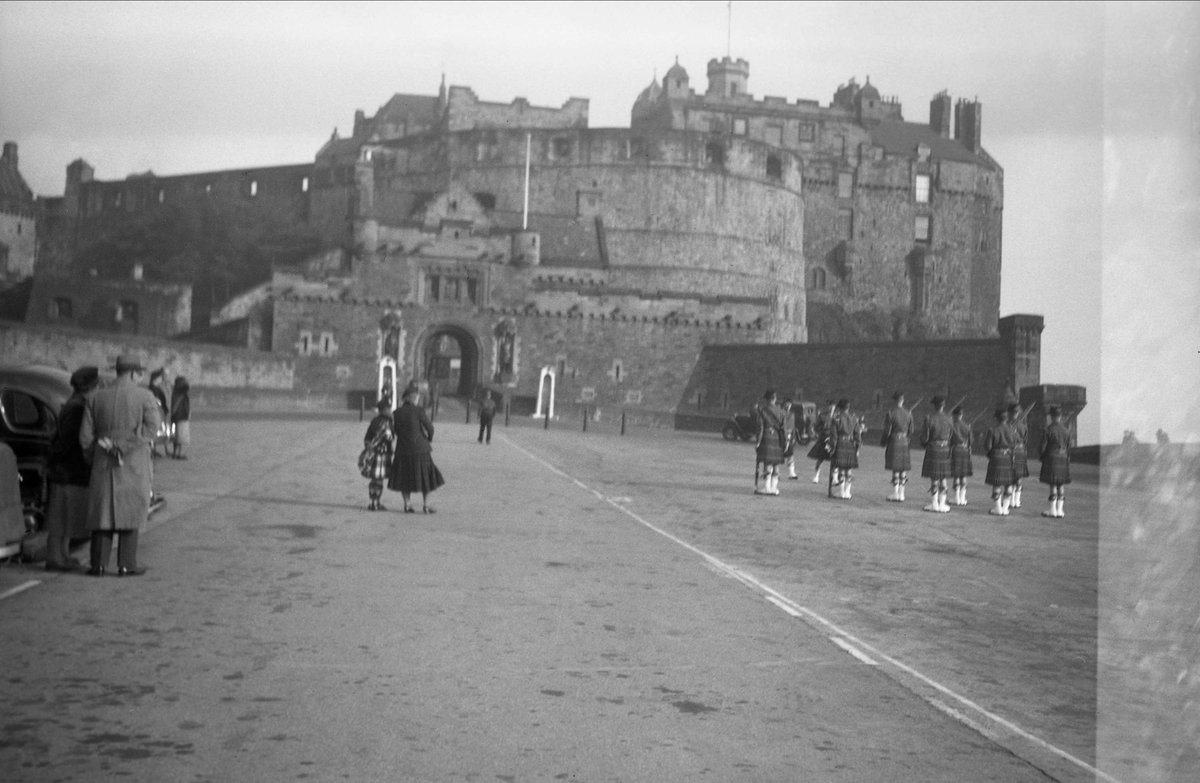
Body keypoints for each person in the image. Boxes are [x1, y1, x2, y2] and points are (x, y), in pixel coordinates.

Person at [79, 355, 161, 576]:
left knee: (102, 512)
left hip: (102, 460)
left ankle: (98, 564)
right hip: (134, 461)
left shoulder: (95, 397)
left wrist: (94, 456)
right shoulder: (145, 396)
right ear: (134, 373)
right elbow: (153, 429)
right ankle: (126, 564)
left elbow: (85, 437)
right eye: (140, 373)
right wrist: (126, 445)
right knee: (131, 509)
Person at [43, 366, 100, 571]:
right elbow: (68, 441)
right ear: (91, 386)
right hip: (67, 470)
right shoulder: (77, 408)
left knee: (65, 516)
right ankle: (54, 557)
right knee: (59, 518)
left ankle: (63, 555)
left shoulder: (74, 403)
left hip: (66, 469)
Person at [388, 383, 444, 513]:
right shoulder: (419, 410)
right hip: (420, 449)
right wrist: (428, 438)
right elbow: (430, 428)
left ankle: (407, 505)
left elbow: (395, 431)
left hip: (403, 450)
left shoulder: (397, 413)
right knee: (426, 477)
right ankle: (426, 505)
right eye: (416, 396)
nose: (417, 398)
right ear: (413, 398)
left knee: (404, 478)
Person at [919, 396, 953, 513]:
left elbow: (924, 438)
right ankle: (942, 504)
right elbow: (951, 437)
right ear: (943, 406)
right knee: (943, 477)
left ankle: (934, 504)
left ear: (934, 406)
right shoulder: (949, 419)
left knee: (934, 478)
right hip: (945, 449)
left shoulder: (929, 419)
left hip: (933, 448)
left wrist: (924, 444)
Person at [361, 401, 396, 511]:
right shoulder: (387, 422)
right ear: (384, 410)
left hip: (374, 453)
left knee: (374, 480)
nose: (390, 411)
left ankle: (372, 502)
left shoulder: (374, 421)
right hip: (383, 454)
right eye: (389, 409)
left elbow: (367, 438)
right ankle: (375, 504)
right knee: (379, 480)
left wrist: (369, 449)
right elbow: (391, 438)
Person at [1039, 406, 1072, 518]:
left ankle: (1052, 510)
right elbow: (1069, 447)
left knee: (1053, 484)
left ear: (1051, 416)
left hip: (1051, 457)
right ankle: (1060, 511)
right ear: (1060, 416)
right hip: (1063, 457)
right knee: (1061, 484)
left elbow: (1043, 447)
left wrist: (1042, 457)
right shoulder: (1066, 430)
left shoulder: (1048, 430)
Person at [983, 406, 1015, 516]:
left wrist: (991, 454)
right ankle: (1005, 509)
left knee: (996, 483)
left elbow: (988, 446)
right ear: (1006, 418)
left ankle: (998, 509)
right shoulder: (1012, 429)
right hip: (1008, 457)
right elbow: (1014, 445)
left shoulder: (992, 430)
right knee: (1008, 483)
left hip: (996, 457)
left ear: (997, 418)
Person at [881, 391, 913, 502]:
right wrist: (906, 439)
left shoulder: (890, 413)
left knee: (895, 468)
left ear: (895, 401)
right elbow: (911, 430)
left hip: (894, 440)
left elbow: (887, 431)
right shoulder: (909, 413)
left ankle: (895, 494)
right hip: (904, 441)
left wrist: (884, 442)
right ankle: (902, 494)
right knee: (902, 468)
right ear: (902, 400)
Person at [754, 390, 786, 495]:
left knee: (767, 462)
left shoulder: (763, 411)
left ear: (767, 400)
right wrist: (785, 442)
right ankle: (774, 488)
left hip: (767, 438)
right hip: (778, 439)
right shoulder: (782, 411)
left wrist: (758, 442)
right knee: (776, 463)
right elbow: (784, 429)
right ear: (775, 399)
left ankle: (767, 488)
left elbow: (760, 428)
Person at [829, 399, 860, 499]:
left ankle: (841, 492)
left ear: (839, 407)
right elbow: (857, 435)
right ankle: (847, 493)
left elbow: (833, 435)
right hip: (850, 444)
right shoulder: (854, 418)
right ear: (848, 407)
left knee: (842, 468)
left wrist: (832, 447)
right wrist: (857, 447)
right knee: (848, 469)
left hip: (840, 443)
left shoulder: (836, 418)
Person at [948, 405, 974, 506]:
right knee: (963, 474)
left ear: (954, 415)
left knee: (956, 474)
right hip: (965, 450)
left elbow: (949, 439)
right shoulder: (967, 426)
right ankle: (963, 498)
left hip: (956, 450)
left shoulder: (952, 426)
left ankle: (956, 498)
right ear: (961, 415)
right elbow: (971, 440)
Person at [807, 400, 835, 484]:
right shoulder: (822, 417)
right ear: (828, 407)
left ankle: (835, 477)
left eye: (833, 406)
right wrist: (821, 427)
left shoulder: (837, 417)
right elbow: (816, 427)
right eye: (830, 406)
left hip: (833, 438)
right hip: (823, 438)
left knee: (835, 459)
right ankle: (816, 475)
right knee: (820, 458)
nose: (832, 408)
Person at [1007, 403, 1030, 508]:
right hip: (1021, 452)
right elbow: (1026, 440)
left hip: (1010, 451)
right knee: (1019, 476)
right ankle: (1017, 501)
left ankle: (1011, 500)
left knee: (1011, 476)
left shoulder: (1006, 425)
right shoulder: (1023, 426)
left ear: (1008, 413)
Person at [147, 368, 171, 457]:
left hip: (160, 412)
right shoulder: (153, 389)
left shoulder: (156, 388)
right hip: (157, 412)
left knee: (160, 431)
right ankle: (153, 450)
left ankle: (155, 449)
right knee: (156, 431)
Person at [170, 376, 191, 459]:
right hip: (182, 417)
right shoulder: (182, 394)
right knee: (181, 436)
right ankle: (180, 453)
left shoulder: (175, 392)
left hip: (176, 417)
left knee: (176, 436)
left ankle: (175, 453)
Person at [782, 399, 802, 480]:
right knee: (778, 455)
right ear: (783, 405)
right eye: (786, 404)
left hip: (789, 436)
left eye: (789, 405)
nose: (788, 406)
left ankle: (791, 473)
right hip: (781, 435)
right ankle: (773, 472)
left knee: (790, 454)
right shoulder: (780, 412)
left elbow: (792, 426)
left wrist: (792, 437)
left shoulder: (792, 414)